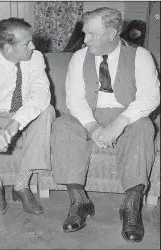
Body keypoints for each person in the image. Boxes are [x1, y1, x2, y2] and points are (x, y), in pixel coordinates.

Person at [51, 8, 160, 243]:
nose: (85, 39)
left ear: (111, 34)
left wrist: (119, 124)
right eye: (85, 33)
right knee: (62, 125)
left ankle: (130, 207)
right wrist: (92, 127)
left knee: (143, 128)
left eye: (92, 34)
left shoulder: (141, 56)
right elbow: (74, 99)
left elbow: (149, 97)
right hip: (89, 114)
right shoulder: (80, 57)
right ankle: (80, 202)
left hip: (127, 115)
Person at [0, 17, 55, 215]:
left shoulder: (36, 57)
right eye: (26, 43)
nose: (33, 45)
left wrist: (15, 124)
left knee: (47, 110)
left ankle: (21, 185)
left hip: (22, 116)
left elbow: (41, 94)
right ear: (7, 47)